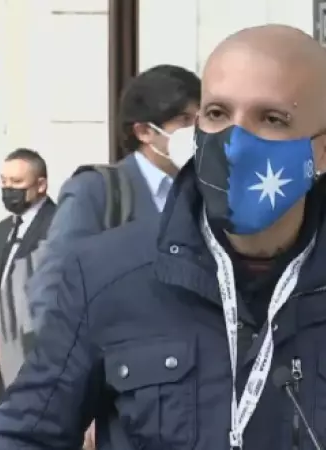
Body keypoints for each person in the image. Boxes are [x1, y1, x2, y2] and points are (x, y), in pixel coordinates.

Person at [0, 25, 326, 450]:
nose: (234, 142)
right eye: (217, 114)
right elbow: (24, 437)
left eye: (272, 118)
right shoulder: (105, 275)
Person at [26, 64, 200, 331]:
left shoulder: (205, 194)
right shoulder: (97, 191)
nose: (197, 131)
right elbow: (53, 292)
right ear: (144, 131)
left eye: (202, 119)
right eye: (184, 120)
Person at [0, 148, 55, 405]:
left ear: (40, 185)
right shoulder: (4, 229)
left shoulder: (58, 226)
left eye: (17, 182)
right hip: (3, 357)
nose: (9, 189)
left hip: (40, 359)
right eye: (4, 181)